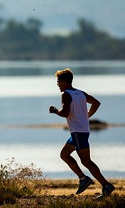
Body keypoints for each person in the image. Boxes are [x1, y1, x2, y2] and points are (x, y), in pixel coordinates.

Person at [49, 68, 115, 197]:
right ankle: (83, 179)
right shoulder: (80, 93)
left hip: (78, 132)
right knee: (64, 154)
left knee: (86, 161)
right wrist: (86, 116)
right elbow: (96, 103)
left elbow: (65, 113)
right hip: (80, 131)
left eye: (58, 81)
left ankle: (106, 185)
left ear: (64, 81)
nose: (57, 84)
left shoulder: (66, 94)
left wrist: (55, 111)